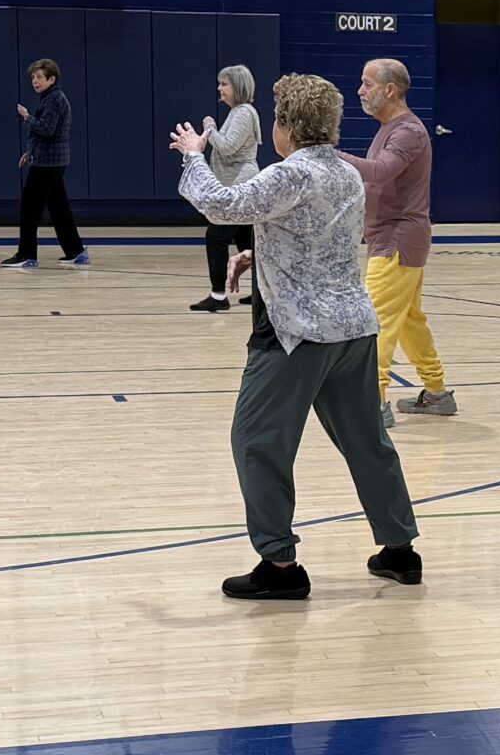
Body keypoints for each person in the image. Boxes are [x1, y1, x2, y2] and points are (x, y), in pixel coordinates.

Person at [171, 74, 423, 598]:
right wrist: (255, 254)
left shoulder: (290, 174)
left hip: (296, 334)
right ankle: (400, 551)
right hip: (353, 330)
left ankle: (280, 568)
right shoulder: (347, 175)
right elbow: (314, 236)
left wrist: (195, 154)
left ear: (285, 127)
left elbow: (221, 205)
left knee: (256, 443)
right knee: (366, 442)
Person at [347, 57, 453, 418]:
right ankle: (437, 392)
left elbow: (379, 172)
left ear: (389, 90)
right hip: (396, 240)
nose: (360, 90)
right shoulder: (390, 128)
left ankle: (373, 404)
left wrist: (328, 157)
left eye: (367, 83)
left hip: (396, 242)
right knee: (409, 321)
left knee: (375, 322)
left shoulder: (408, 132)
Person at [5, 58, 88, 269]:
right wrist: (30, 152)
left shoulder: (53, 100)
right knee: (59, 208)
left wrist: (27, 118)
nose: (35, 81)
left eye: (39, 77)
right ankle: (76, 252)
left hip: (48, 164)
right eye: (33, 77)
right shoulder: (50, 98)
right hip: (53, 161)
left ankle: (26, 255)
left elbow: (47, 129)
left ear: (52, 79)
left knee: (30, 208)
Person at [192, 64, 261, 312]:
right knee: (247, 240)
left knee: (216, 237)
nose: (220, 88)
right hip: (237, 185)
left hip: (239, 186)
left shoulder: (244, 113)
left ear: (238, 87)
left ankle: (218, 295)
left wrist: (209, 127)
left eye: (225, 84)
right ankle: (261, 293)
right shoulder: (238, 113)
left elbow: (228, 147)